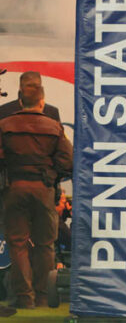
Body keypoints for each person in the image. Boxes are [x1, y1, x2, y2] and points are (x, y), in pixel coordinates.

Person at [0, 77, 72, 310]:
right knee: (46, 244)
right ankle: (43, 296)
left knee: (17, 243)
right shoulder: (53, 127)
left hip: (14, 189)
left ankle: (24, 297)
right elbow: (68, 160)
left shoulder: (5, 124)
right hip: (43, 190)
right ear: (41, 102)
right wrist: (51, 175)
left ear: (21, 101)